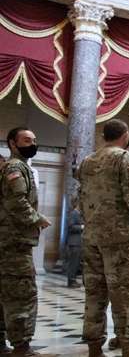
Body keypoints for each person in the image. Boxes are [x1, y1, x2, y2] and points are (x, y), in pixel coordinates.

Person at [77, 119, 129, 357]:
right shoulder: (124, 158)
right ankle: (128, 347)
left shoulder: (88, 160)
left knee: (95, 292)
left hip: (92, 236)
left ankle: (94, 347)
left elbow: (81, 197)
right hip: (120, 238)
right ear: (125, 135)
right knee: (126, 292)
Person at [0, 127, 50, 357]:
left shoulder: (20, 167)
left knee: (6, 293)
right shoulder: (15, 167)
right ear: (12, 143)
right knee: (22, 294)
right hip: (15, 242)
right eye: (27, 140)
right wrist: (37, 219)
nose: (32, 144)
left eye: (34, 139)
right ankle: (21, 347)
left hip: (11, 241)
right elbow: (16, 202)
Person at [66, 207, 85, 288]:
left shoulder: (79, 214)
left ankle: (73, 280)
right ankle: (71, 281)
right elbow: (71, 226)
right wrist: (82, 227)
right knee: (73, 263)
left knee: (77, 263)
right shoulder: (74, 213)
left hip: (79, 243)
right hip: (74, 242)